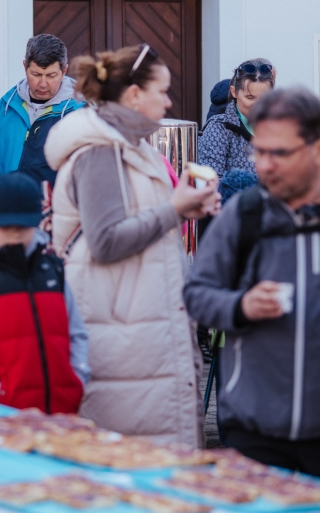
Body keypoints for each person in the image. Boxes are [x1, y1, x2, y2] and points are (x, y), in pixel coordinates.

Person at [44, 44, 219, 447]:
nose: (169, 100)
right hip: (121, 341)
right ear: (135, 95)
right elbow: (105, 241)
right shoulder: (101, 152)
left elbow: (148, 224)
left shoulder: (138, 149)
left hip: (144, 330)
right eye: (162, 90)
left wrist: (189, 208)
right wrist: (175, 210)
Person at [185, 88, 320, 476]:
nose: (265, 166)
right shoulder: (243, 216)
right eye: (259, 152)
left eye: (279, 153)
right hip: (253, 429)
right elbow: (196, 295)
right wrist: (240, 307)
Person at [0, 172, 89, 411]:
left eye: (22, 226)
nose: (14, 234)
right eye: (5, 226)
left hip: (61, 412)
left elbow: (77, 333)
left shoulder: (52, 271)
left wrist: (77, 378)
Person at [0, 34, 81, 185]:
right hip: (7, 205)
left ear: (64, 71)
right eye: (36, 74)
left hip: (57, 207)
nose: (42, 83)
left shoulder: (80, 113)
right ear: (24, 66)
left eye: (51, 76)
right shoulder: (5, 106)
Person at [198, 59, 275, 202]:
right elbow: (209, 182)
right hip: (232, 216)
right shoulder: (219, 127)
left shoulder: (279, 128)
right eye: (250, 97)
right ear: (234, 92)